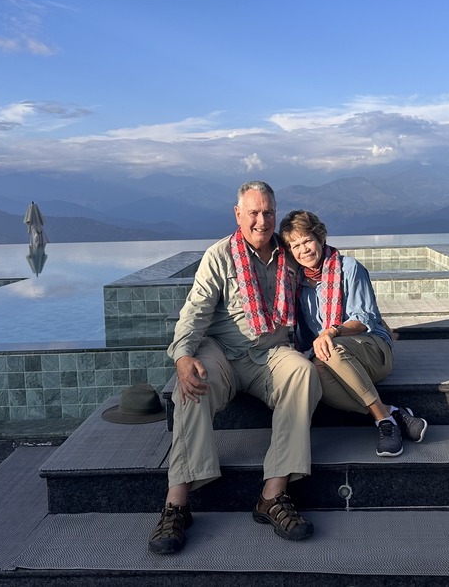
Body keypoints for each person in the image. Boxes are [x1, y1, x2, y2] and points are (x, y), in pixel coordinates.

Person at [149, 181, 322, 555]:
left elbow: (327, 274)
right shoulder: (219, 255)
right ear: (238, 214)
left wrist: (366, 320)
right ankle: (176, 503)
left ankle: (272, 497)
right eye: (254, 212)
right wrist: (182, 356)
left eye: (269, 212)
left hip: (271, 353)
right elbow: (194, 312)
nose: (262, 220)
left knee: (303, 374)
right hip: (223, 353)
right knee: (191, 381)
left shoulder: (288, 254)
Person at [278, 209, 427, 458]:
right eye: (295, 245)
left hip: (373, 351)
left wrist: (331, 331)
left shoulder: (349, 268)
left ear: (320, 238)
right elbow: (304, 336)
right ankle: (393, 413)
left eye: (307, 240)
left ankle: (383, 422)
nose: (303, 249)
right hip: (332, 358)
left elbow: (364, 319)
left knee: (331, 349)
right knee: (312, 373)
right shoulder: (297, 284)